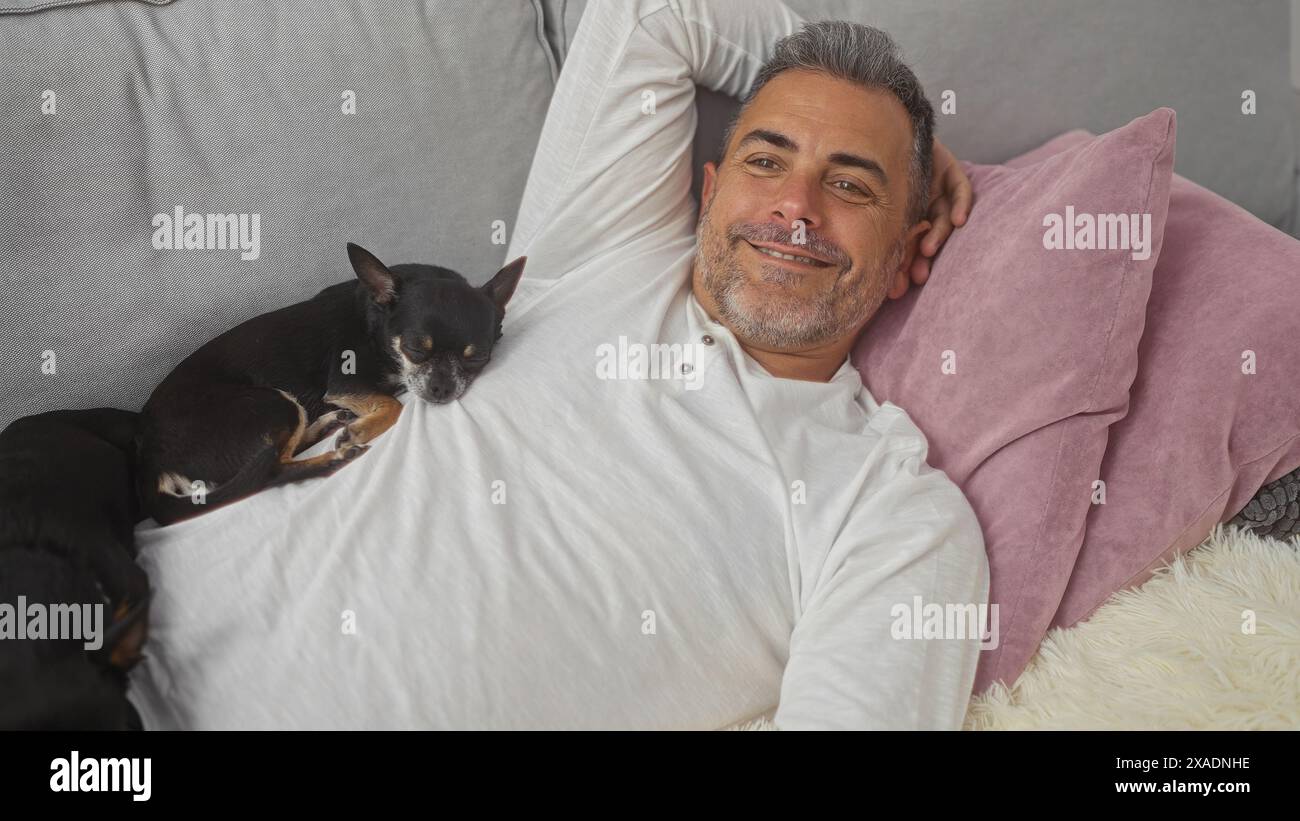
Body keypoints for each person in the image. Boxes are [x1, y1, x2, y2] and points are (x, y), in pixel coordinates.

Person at [128, 0, 987, 730]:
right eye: (767, 161)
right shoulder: (606, 247)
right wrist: (893, 124)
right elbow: (653, 12)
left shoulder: (892, 509)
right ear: (713, 187)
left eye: (851, 186)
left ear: (913, 242)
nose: (794, 209)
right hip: (101, 622)